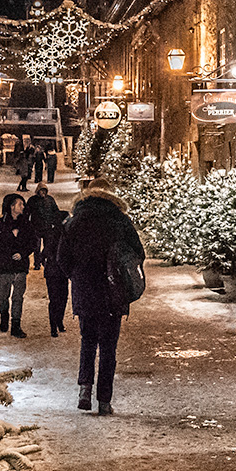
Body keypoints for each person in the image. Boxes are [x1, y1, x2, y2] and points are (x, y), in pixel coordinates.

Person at [58, 176, 145, 415]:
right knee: (108, 347)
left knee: (88, 341)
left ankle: (84, 388)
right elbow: (138, 253)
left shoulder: (74, 221)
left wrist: (76, 277)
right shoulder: (120, 220)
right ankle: (104, 401)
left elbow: (61, 258)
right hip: (112, 291)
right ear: (111, 194)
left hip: (85, 290)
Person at [0, 193, 36, 338]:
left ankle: (16, 324)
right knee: (3, 295)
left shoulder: (27, 225)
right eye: (20, 204)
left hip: (20, 266)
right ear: (11, 206)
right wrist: (10, 241)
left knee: (18, 297)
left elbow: (33, 243)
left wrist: (23, 253)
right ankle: (4, 315)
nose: (22, 206)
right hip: (4, 266)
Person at [42, 207, 70, 337]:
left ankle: (56, 323)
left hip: (53, 271)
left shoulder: (53, 233)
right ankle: (57, 323)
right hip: (59, 271)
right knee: (60, 298)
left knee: (56, 299)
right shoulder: (62, 235)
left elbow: (44, 253)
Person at [25, 181, 60, 269]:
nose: (43, 193)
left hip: (47, 227)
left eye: (44, 191)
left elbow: (55, 212)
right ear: (38, 191)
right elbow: (27, 213)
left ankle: (43, 260)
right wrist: (27, 224)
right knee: (36, 247)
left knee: (48, 246)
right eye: (41, 191)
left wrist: (55, 223)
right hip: (35, 227)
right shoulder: (32, 200)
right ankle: (37, 263)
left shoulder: (50, 200)